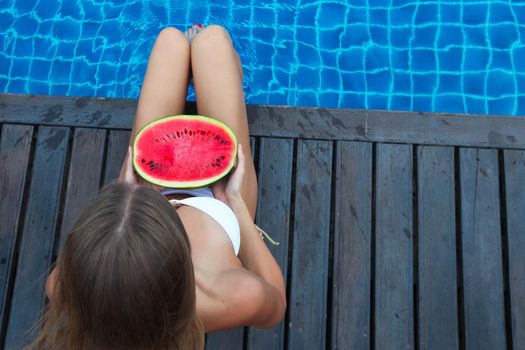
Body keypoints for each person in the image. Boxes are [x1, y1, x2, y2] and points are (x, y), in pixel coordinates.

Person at [32, 25, 286, 349]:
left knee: (169, 42)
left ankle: (191, 66)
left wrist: (133, 187)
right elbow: (275, 303)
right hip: (220, 202)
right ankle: (226, 67)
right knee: (213, 42)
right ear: (180, 262)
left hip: (145, 181)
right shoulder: (222, 298)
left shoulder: (64, 287)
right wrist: (236, 204)